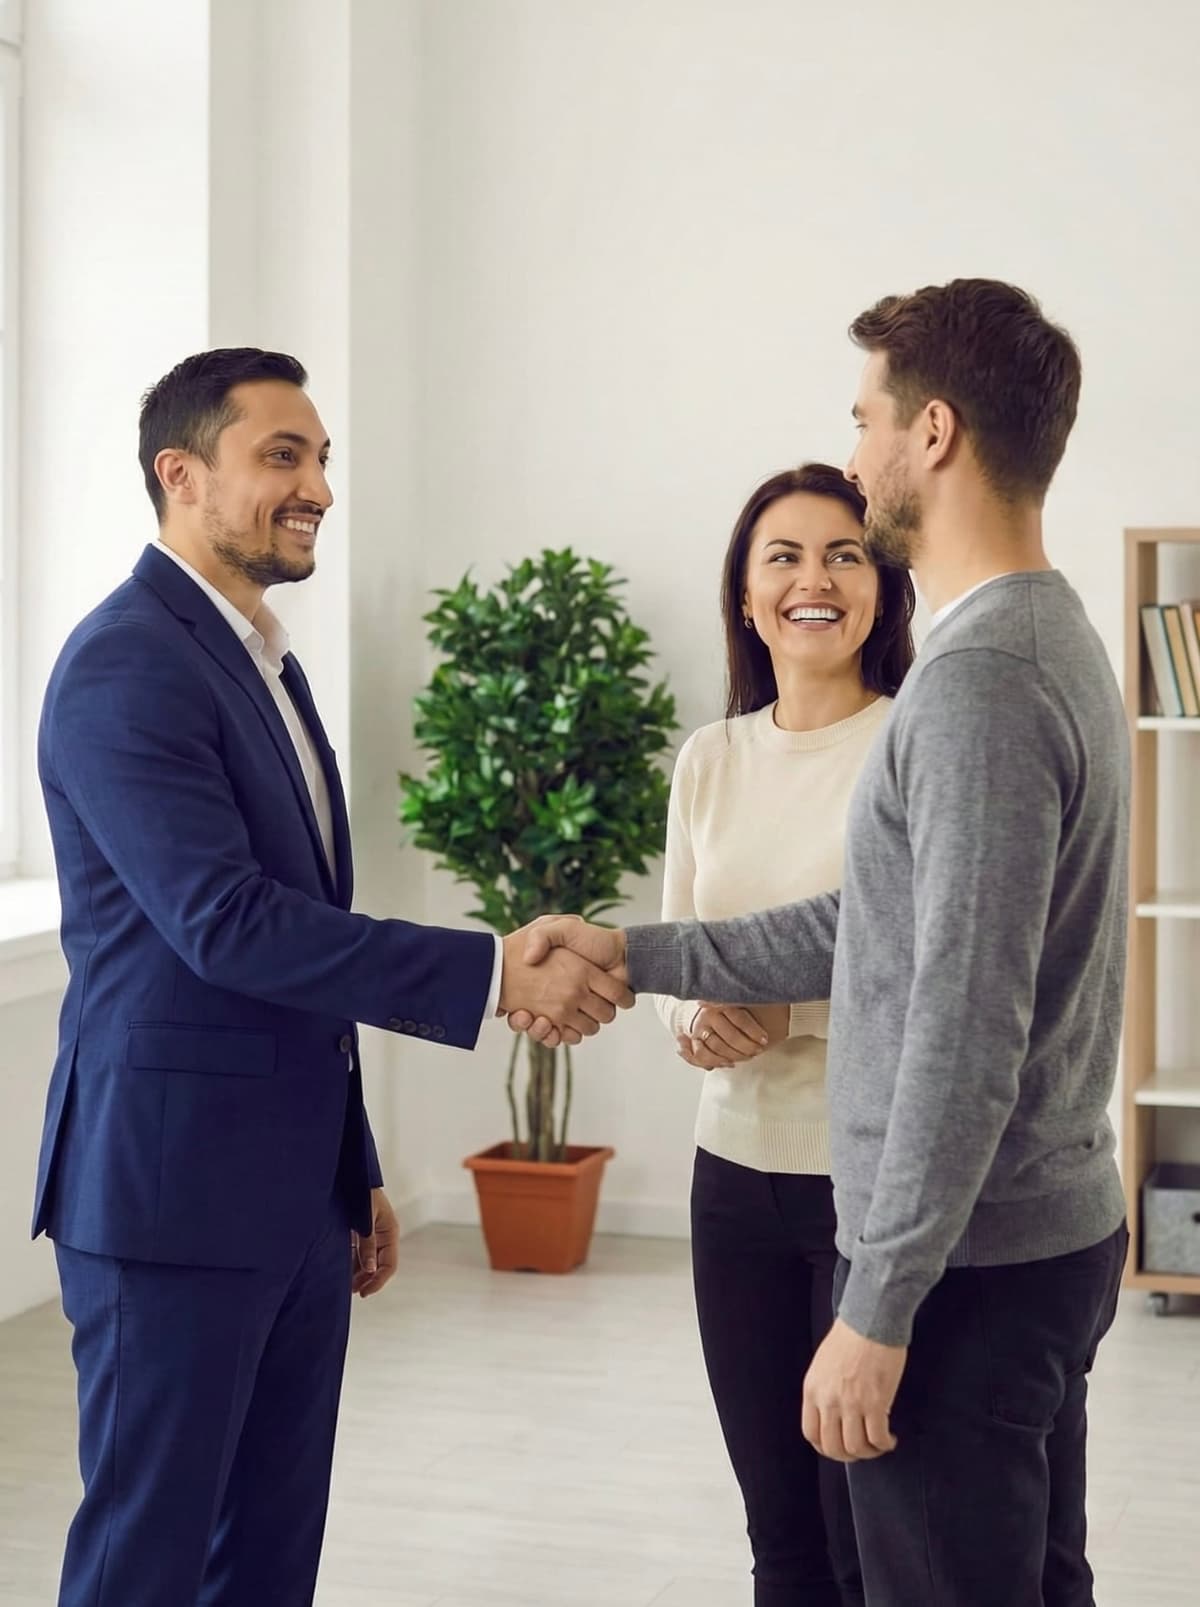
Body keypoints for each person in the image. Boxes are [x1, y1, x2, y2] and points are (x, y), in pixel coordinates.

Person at [513, 279, 1130, 1607]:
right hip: (1038, 1235)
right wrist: (637, 951)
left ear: (935, 433)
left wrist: (879, 1303)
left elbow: (963, 1022)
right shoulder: (1046, 634)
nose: (855, 457)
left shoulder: (979, 685)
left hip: (967, 1268)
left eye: (866, 419)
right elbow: (887, 925)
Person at [34, 347, 630, 1607]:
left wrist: (349, 1170)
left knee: (266, 1557)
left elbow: (295, 943)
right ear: (181, 474)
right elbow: (227, 924)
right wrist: (490, 971)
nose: (317, 486)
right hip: (169, 1202)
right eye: (283, 456)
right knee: (144, 1562)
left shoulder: (265, 663)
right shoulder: (125, 663)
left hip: (290, 1198)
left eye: (321, 459)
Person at [653, 463, 913, 1606]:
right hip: (732, 1186)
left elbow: (930, 972)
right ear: (748, 598)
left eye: (844, 554)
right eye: (785, 556)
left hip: (864, 1187)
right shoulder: (709, 758)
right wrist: (694, 1013)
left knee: (866, 1529)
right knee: (778, 1531)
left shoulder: (912, 747)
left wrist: (781, 1009)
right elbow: (673, 945)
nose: (815, 579)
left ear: (881, 589)